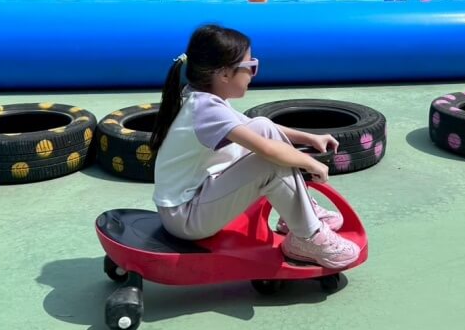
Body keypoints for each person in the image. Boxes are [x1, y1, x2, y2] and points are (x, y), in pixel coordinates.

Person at [148, 24, 361, 269]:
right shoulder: (206, 110)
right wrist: (310, 162)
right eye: (251, 67)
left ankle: (295, 215)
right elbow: (268, 151)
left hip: (193, 200)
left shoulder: (203, 99)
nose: (253, 74)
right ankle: (307, 237)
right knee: (269, 162)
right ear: (224, 74)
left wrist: (309, 138)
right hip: (186, 219)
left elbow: (256, 128)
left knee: (263, 125)